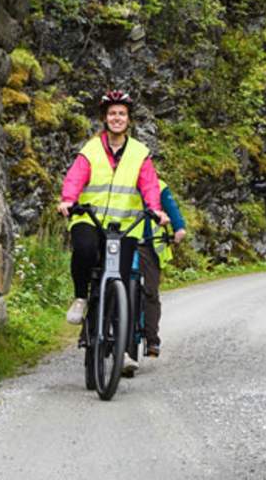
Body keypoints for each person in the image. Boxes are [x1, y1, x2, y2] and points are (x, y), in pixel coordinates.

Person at [59, 89, 164, 377]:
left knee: (121, 280)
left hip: (122, 226)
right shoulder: (91, 150)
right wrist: (68, 200)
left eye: (122, 113)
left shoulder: (140, 154)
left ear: (128, 119)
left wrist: (156, 209)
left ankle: (123, 345)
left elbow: (150, 185)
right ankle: (81, 298)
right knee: (84, 250)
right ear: (105, 118)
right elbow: (75, 178)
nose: (117, 118)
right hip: (89, 219)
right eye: (112, 113)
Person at [136, 177, 188, 358]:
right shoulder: (119, 181)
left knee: (150, 291)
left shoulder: (158, 185)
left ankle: (152, 340)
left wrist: (179, 228)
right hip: (121, 240)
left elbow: (171, 208)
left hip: (149, 245)